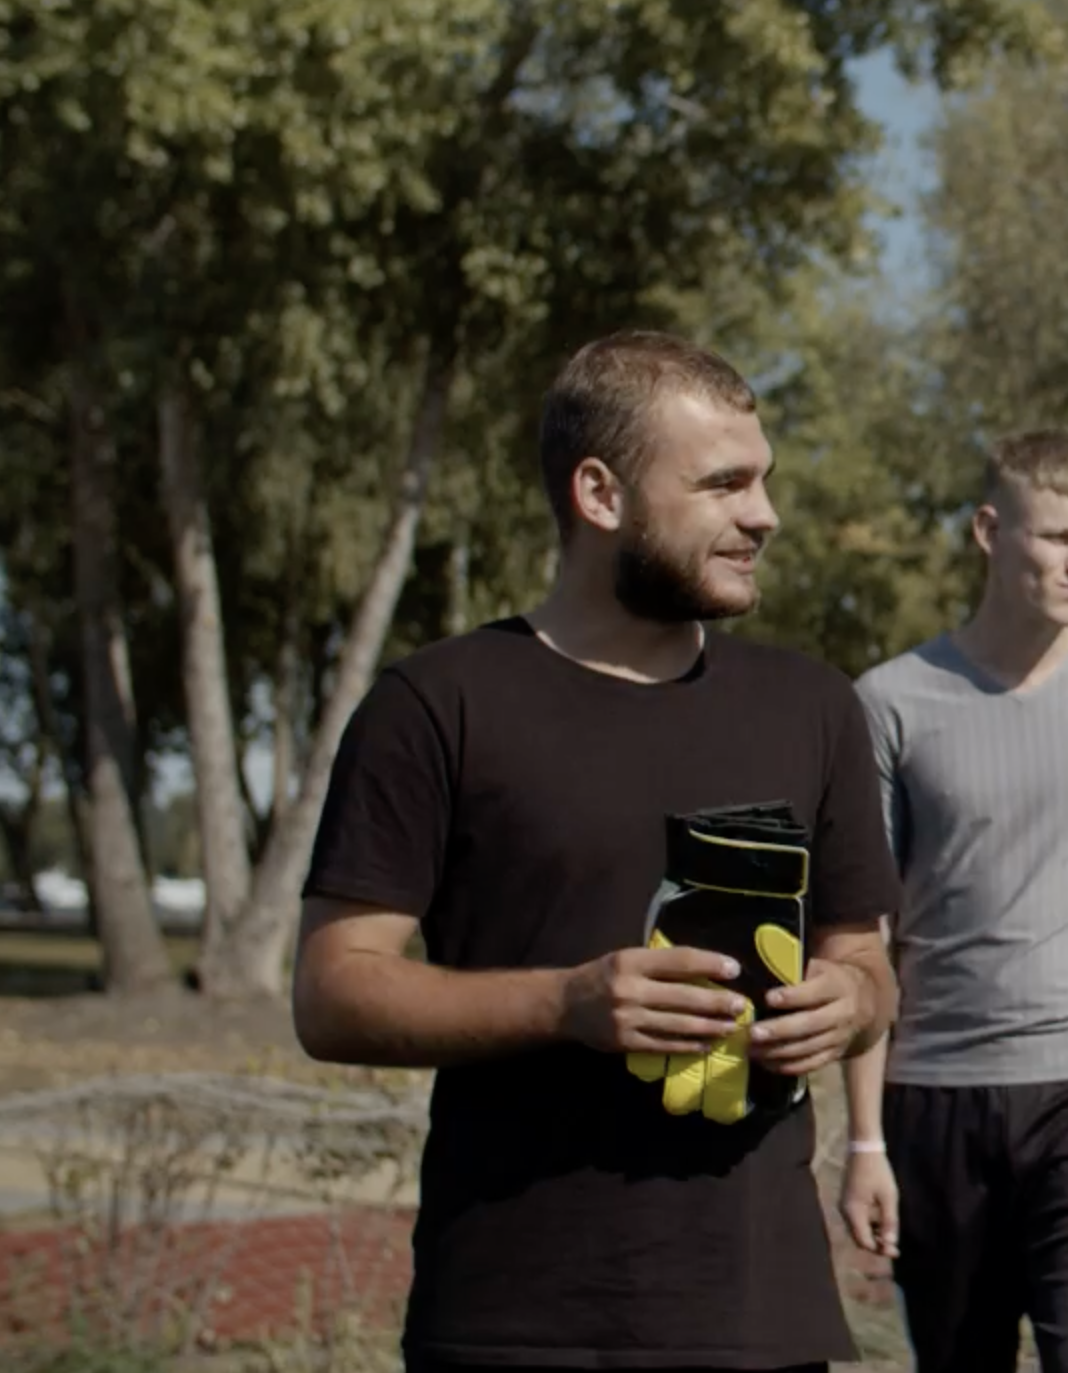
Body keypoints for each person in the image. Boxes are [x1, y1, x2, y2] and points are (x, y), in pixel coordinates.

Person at [291, 330, 901, 1373]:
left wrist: (848, 1002)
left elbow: (871, 964)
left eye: (763, 482)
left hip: (758, 1318)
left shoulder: (813, 707)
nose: (764, 514)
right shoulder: (435, 705)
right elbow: (333, 993)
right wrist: (566, 1002)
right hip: (513, 1317)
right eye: (723, 483)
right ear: (599, 492)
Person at [836, 429, 1068, 1373]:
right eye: (1059, 536)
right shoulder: (890, 702)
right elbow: (862, 936)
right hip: (934, 1097)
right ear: (991, 529)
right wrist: (864, 1140)